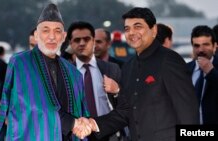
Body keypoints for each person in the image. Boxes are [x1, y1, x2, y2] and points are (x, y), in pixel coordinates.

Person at [74, 7, 199, 141]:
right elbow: (124, 112)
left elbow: (188, 111)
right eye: (127, 29)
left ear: (154, 30)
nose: (131, 32)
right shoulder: (128, 67)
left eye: (137, 26)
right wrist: (94, 124)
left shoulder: (169, 60)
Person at [0, 3, 90, 141]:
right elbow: (31, 103)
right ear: (36, 35)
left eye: (57, 31)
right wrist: (72, 123)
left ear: (63, 37)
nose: (51, 36)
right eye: (45, 30)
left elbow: (83, 112)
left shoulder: (74, 73)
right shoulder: (20, 62)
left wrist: (83, 125)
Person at [67, 21, 124, 141]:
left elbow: (126, 104)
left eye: (86, 39)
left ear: (93, 41)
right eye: (77, 40)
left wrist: (117, 90)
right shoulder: (65, 73)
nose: (82, 43)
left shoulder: (112, 69)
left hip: (109, 134)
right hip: (78, 136)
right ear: (71, 44)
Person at [187, 25, 218, 124]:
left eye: (206, 44)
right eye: (196, 46)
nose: (201, 50)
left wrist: (211, 72)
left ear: (214, 46)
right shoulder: (184, 69)